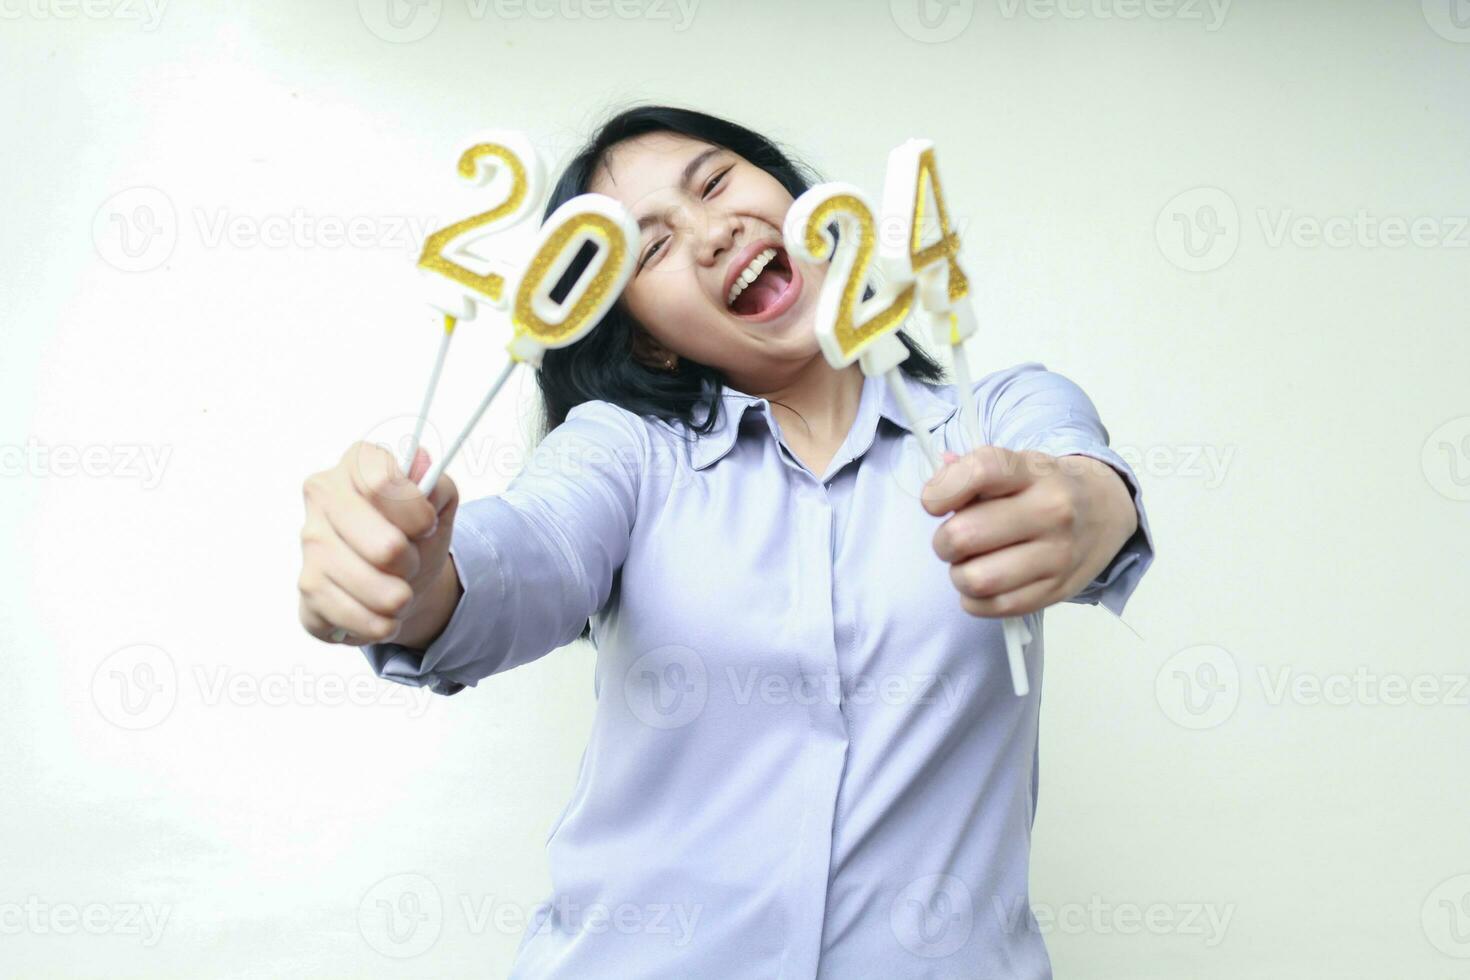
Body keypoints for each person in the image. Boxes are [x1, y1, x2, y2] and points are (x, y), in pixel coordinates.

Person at [297, 105, 1155, 979]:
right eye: (652, 248)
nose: (712, 233)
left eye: (715, 183)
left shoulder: (992, 416)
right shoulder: (623, 453)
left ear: (808, 203)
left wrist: (1086, 505)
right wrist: (412, 571)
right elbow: (524, 553)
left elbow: (1078, 472)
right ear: (646, 338)